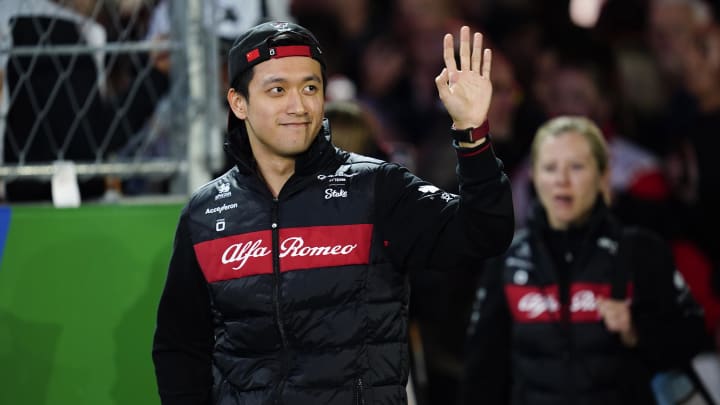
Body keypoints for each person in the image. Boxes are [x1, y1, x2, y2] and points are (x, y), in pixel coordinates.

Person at [152, 21, 514, 405]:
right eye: (277, 90)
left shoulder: (376, 188)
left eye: (310, 88)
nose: (299, 105)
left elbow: (485, 230)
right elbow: (180, 348)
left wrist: (470, 131)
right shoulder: (205, 213)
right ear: (238, 103)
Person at [459, 116, 706, 405]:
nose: (561, 180)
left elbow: (692, 335)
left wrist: (636, 330)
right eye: (550, 168)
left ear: (603, 177)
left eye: (576, 167)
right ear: (535, 177)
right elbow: (481, 373)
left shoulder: (641, 250)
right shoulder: (509, 259)